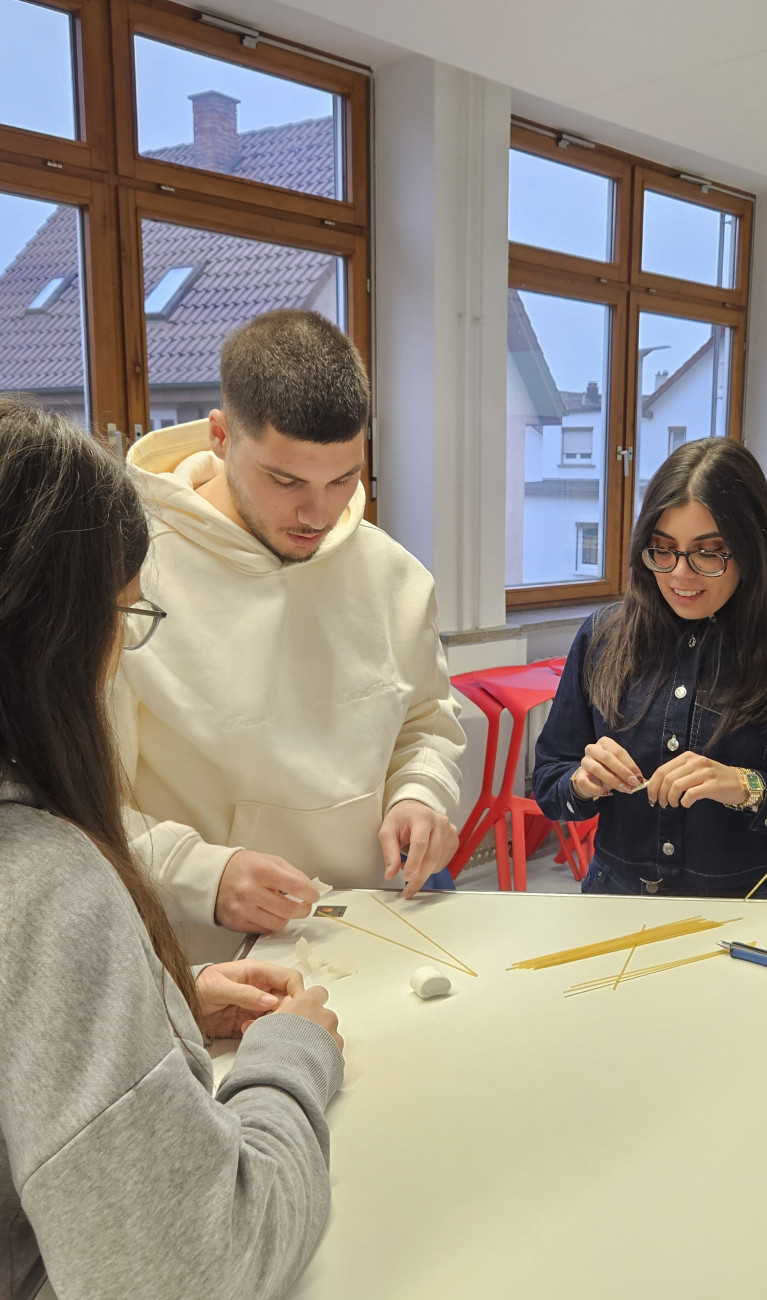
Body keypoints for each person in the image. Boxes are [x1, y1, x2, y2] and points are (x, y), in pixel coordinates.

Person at [0, 398, 344, 1300]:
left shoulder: (381, 569)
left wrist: (155, 1019)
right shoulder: (45, 883)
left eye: (343, 480)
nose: (318, 508)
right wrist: (287, 1058)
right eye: (123, 614)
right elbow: (191, 1267)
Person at [114, 310, 465, 945]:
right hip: (203, 954)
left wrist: (420, 792)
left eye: (344, 478)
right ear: (220, 436)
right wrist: (201, 875)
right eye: (286, 480)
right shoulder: (126, 579)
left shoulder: (394, 577)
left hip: (370, 934)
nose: (319, 512)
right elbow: (77, 801)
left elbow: (426, 723)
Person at [533, 436, 767, 897]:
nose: (680, 574)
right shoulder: (604, 635)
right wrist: (581, 784)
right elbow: (549, 782)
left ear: (751, 547)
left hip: (742, 909)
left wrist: (746, 786)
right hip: (613, 898)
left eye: (708, 552)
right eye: (663, 549)